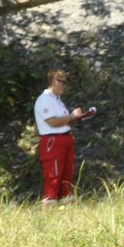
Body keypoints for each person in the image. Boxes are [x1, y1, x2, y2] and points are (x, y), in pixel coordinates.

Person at [34, 69, 86, 208]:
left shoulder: (58, 101)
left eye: (65, 82)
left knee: (67, 175)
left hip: (65, 138)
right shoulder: (44, 99)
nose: (64, 85)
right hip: (53, 141)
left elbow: (63, 121)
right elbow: (52, 122)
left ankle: (66, 203)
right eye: (61, 82)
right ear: (53, 81)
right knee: (53, 175)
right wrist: (71, 116)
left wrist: (78, 117)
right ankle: (49, 206)